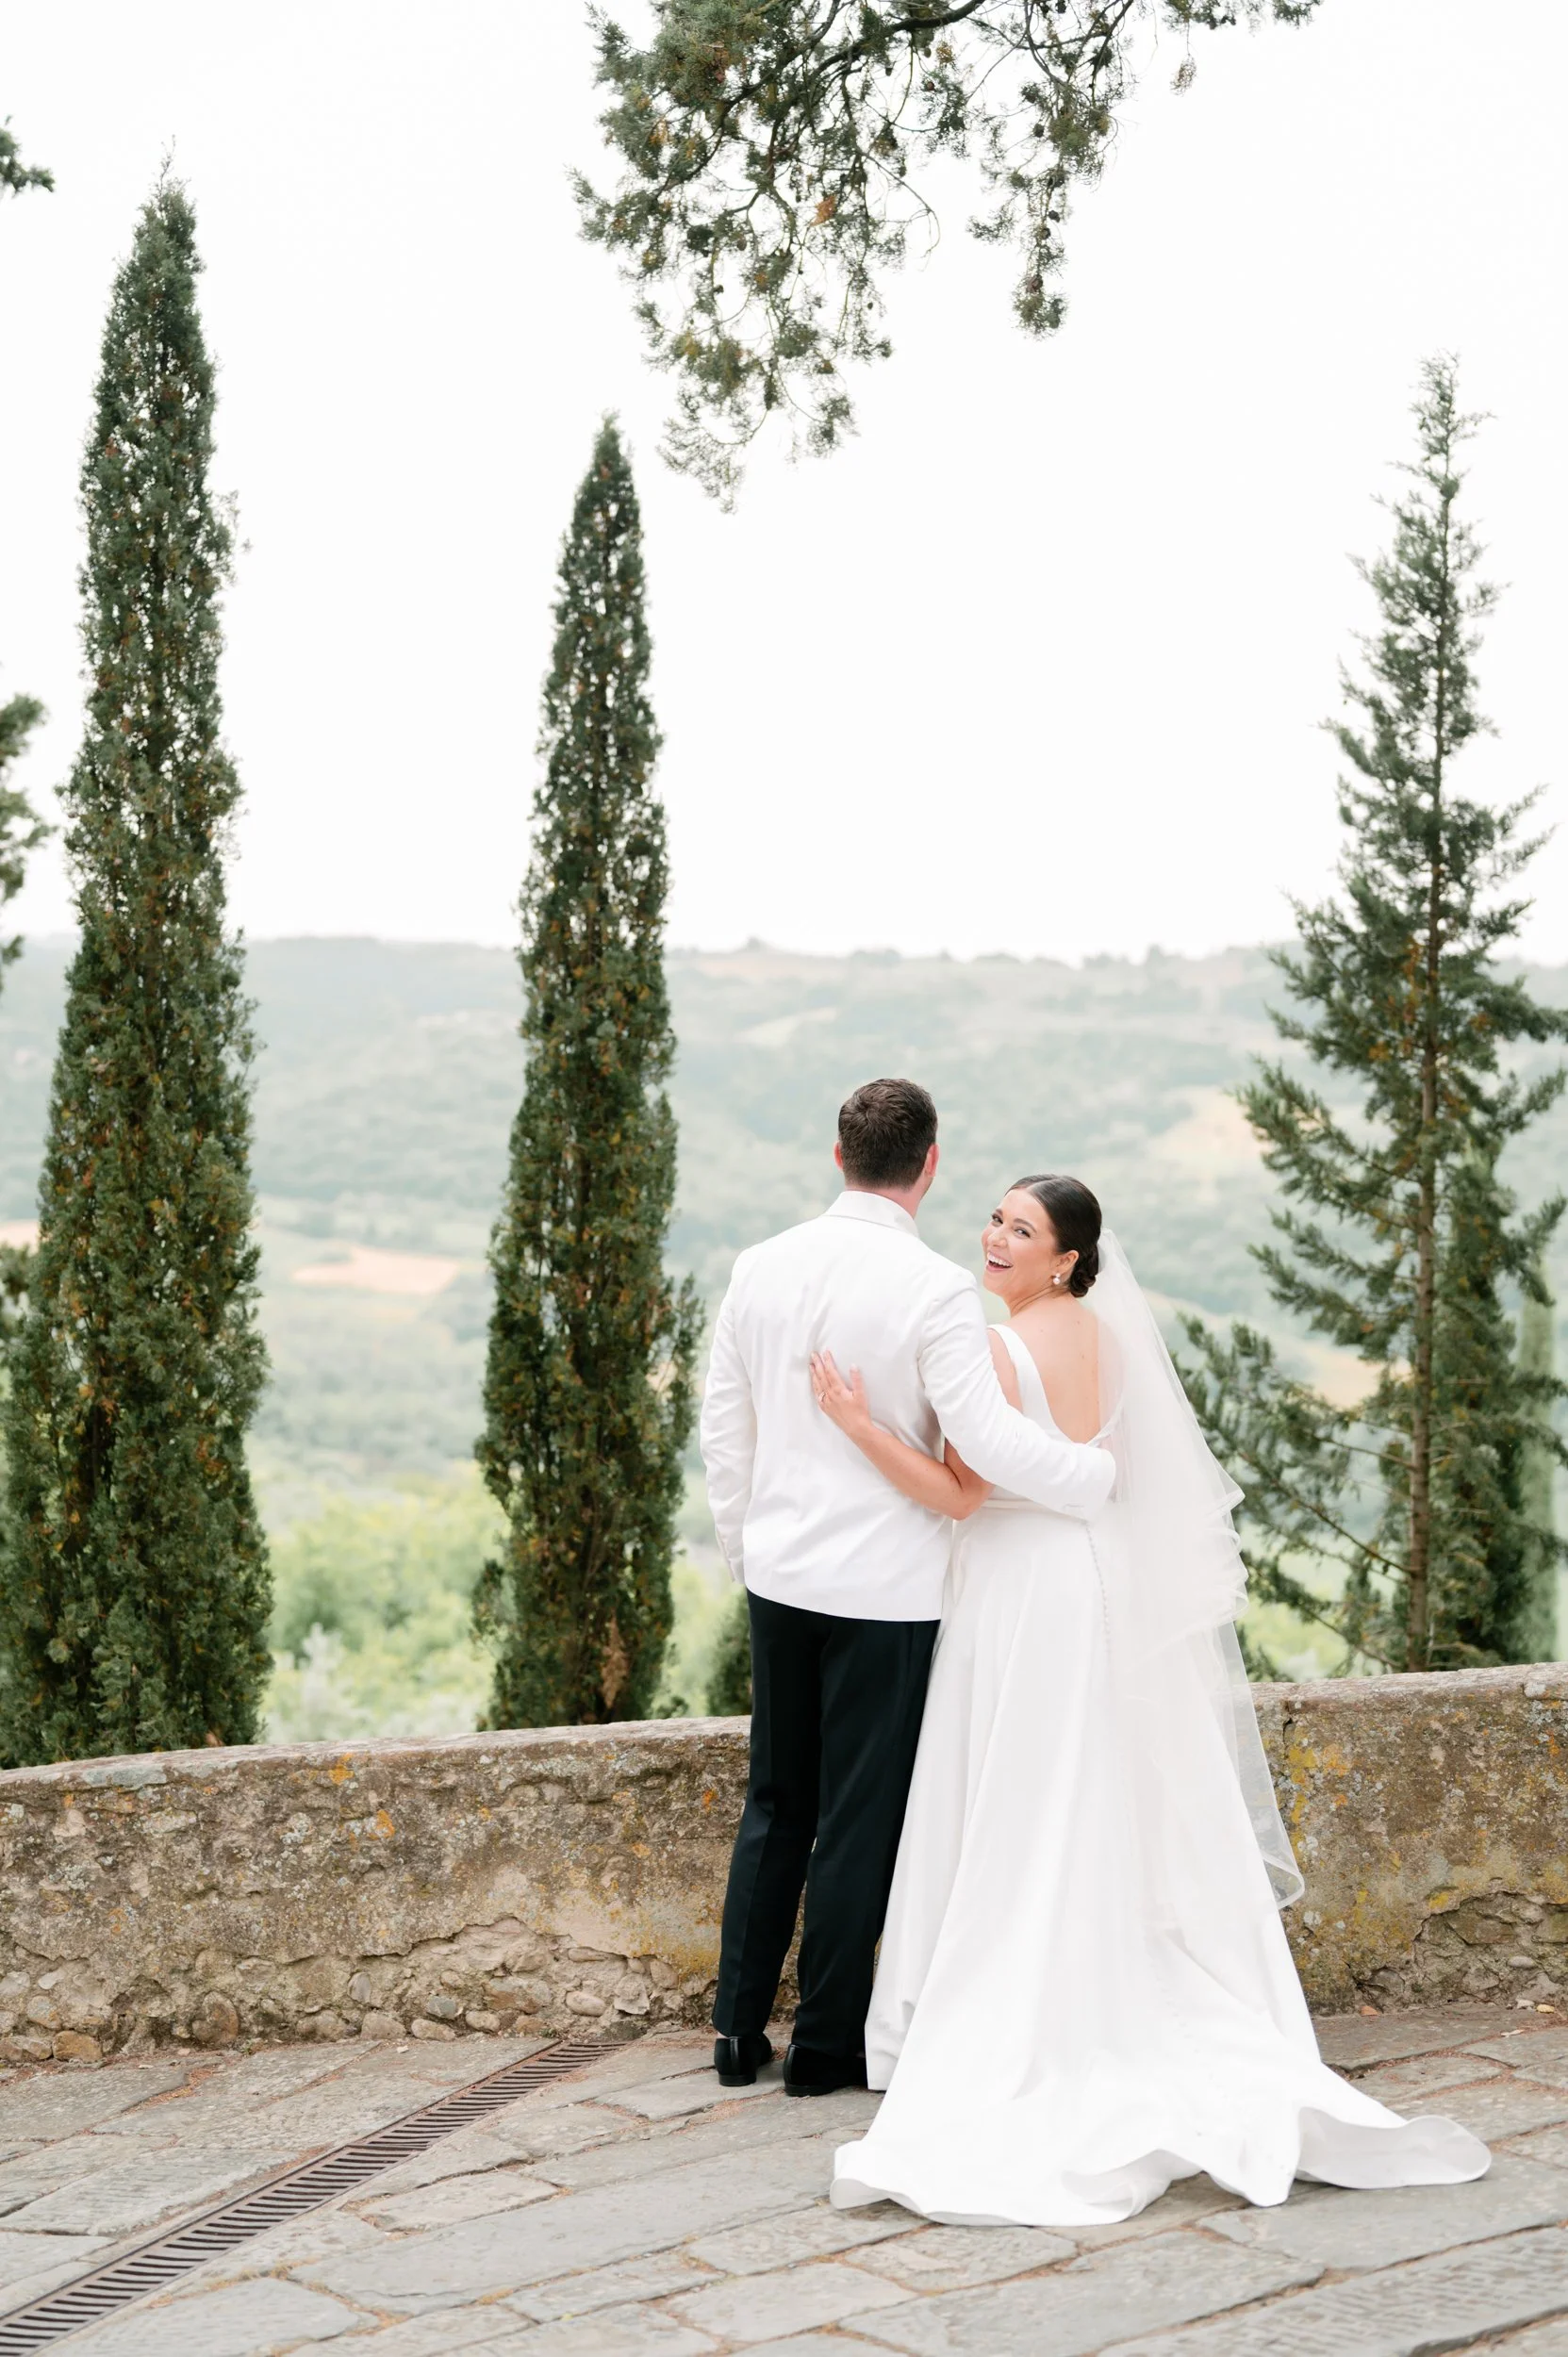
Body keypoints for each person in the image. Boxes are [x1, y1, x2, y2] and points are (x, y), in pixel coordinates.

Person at [813, 1173, 1490, 2223]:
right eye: (995, 1217)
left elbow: (960, 1492)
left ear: (1066, 1259)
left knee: (1022, 1796)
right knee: (1095, 1789)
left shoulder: (991, 1352)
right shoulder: (1112, 1341)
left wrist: (857, 1424)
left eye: (1020, 1229)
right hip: (1096, 1583)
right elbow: (1113, 1477)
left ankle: (1009, 2013)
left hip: (1020, 1591)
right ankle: (1116, 1986)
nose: (994, 1237)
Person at [700, 1082, 1115, 2098]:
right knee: (855, 1818)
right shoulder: (935, 1291)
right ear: (928, 1164)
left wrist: (746, 1547)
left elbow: (724, 1429)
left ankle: (735, 2031)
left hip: (780, 1575)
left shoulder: (758, 1267)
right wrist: (1094, 1475)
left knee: (773, 1802)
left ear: (836, 1153)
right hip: (888, 1591)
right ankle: (828, 2047)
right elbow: (980, 1444)